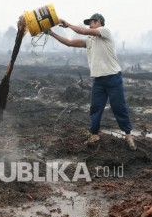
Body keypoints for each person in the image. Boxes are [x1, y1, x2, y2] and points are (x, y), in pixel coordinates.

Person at [48, 13, 136, 150]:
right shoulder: (89, 40)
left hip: (113, 77)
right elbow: (69, 43)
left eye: (92, 22)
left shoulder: (105, 32)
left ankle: (128, 135)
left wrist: (68, 24)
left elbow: (82, 30)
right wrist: (52, 34)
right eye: (89, 23)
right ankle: (94, 134)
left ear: (99, 22)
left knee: (119, 107)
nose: (89, 25)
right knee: (95, 108)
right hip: (98, 80)